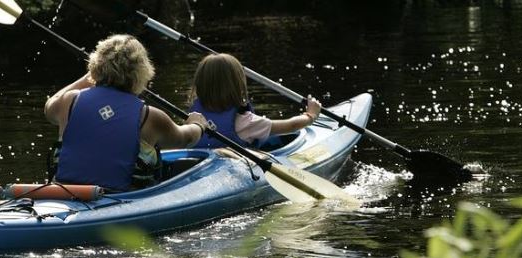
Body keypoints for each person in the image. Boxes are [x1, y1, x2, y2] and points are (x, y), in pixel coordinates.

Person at [44, 34, 208, 191]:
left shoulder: (70, 101)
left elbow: (49, 107)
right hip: (121, 197)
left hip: (65, 192)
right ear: (143, 72)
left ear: (95, 67)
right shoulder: (150, 116)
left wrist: (91, 76)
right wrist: (197, 124)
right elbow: (185, 138)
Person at [188, 53, 321, 149]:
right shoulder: (247, 122)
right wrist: (310, 115)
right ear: (237, 86)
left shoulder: (193, 118)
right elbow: (290, 126)